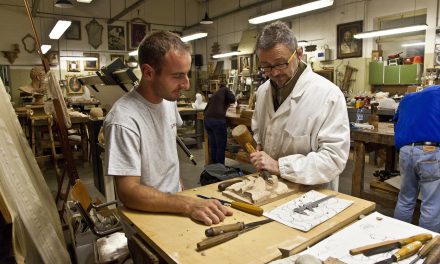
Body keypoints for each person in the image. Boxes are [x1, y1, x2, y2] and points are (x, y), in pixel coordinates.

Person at [104, 31, 232, 227]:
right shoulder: (123, 119)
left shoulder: (167, 100)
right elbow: (128, 192)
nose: (187, 84)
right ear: (148, 73)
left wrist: (182, 191)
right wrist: (186, 205)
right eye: (177, 76)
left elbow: (166, 155)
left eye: (187, 74)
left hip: (175, 207)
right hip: (146, 219)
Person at [250, 21, 350, 191]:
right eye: (266, 66)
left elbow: (333, 159)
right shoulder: (262, 92)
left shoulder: (328, 95)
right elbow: (259, 131)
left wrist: (280, 166)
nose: (273, 72)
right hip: (270, 189)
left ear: (298, 54)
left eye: (280, 63)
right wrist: (258, 146)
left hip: (311, 194)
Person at [393, 86, 440, 232]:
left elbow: (396, 122)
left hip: (406, 151)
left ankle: (397, 237)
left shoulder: (408, 98)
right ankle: (426, 248)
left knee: (405, 200)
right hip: (430, 151)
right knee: (431, 204)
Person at [204, 84, 236, 164]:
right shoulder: (225, 89)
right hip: (217, 120)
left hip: (207, 120)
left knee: (214, 145)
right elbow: (233, 99)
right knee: (220, 146)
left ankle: (215, 168)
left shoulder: (215, 93)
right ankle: (220, 169)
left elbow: (206, 109)